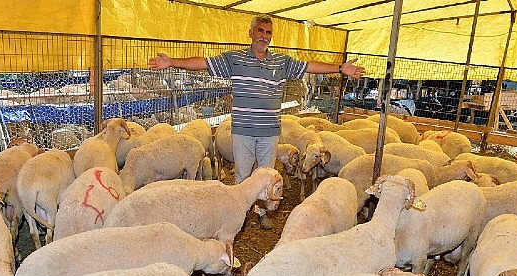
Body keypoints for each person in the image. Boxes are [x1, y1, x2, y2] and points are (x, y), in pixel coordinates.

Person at [149, 14, 364, 229]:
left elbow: (309, 66)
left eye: (268, 32)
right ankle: (238, 215)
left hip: (269, 131)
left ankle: (261, 211)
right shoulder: (235, 59)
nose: (264, 36)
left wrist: (339, 68)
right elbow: (204, 63)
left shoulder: (281, 62)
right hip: (243, 129)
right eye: (260, 31)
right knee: (242, 174)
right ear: (251, 33)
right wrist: (172, 62)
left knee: (266, 172)